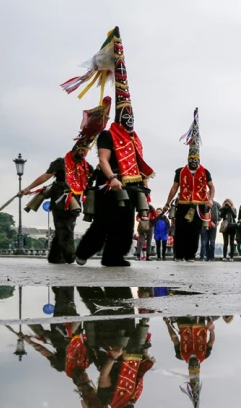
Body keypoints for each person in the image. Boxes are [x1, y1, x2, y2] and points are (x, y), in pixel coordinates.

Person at [68, 27, 154, 267]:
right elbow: (104, 159)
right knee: (104, 223)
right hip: (109, 184)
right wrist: (112, 178)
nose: (129, 120)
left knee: (126, 224)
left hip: (130, 185)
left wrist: (142, 182)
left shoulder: (133, 137)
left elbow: (138, 163)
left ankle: (114, 256)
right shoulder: (108, 135)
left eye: (131, 116)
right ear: (118, 117)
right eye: (125, 116)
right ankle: (83, 252)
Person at [18, 97, 109, 264]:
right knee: (63, 228)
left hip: (75, 201)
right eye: (79, 151)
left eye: (84, 151)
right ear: (75, 149)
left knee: (68, 228)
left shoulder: (85, 165)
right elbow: (45, 176)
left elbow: (92, 178)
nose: (81, 154)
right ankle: (69, 255)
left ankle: (55, 256)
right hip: (60, 198)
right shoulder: (61, 162)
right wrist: (27, 188)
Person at [161, 109, 215, 262]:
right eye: (191, 159)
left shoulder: (205, 172)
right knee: (181, 230)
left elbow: (212, 187)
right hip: (183, 203)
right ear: (188, 158)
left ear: (198, 159)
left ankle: (190, 254)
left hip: (198, 205)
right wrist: (167, 203)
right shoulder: (180, 171)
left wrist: (210, 199)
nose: (193, 161)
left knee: (194, 231)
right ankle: (178, 254)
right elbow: (174, 188)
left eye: (195, 159)